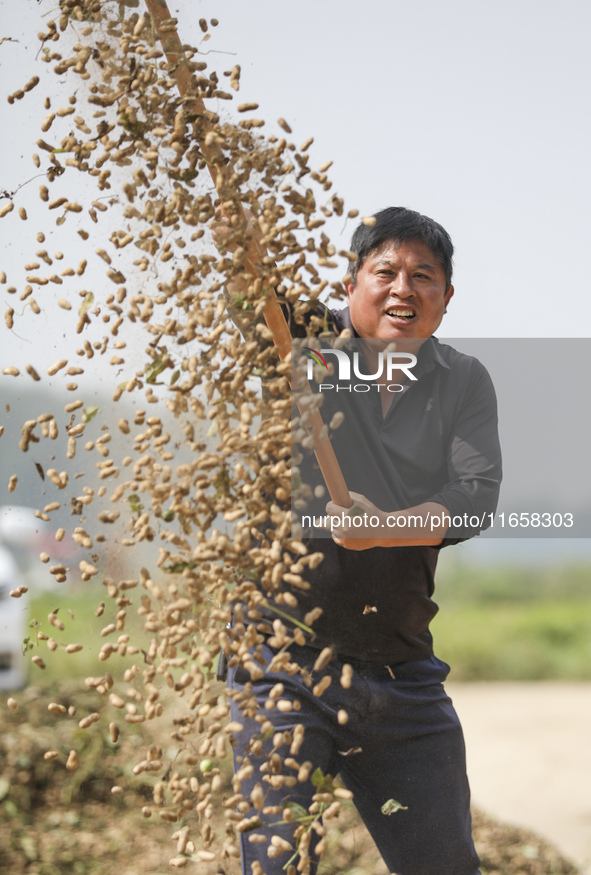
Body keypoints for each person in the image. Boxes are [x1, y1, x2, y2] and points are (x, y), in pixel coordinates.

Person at [216, 207, 502, 875]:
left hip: (399, 673)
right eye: (385, 272)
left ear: (445, 298)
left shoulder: (461, 382)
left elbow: (474, 497)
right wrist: (237, 250)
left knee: (446, 865)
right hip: (281, 666)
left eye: (422, 276)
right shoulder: (309, 348)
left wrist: (386, 526)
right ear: (350, 288)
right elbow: (253, 302)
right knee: (277, 865)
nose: (403, 288)